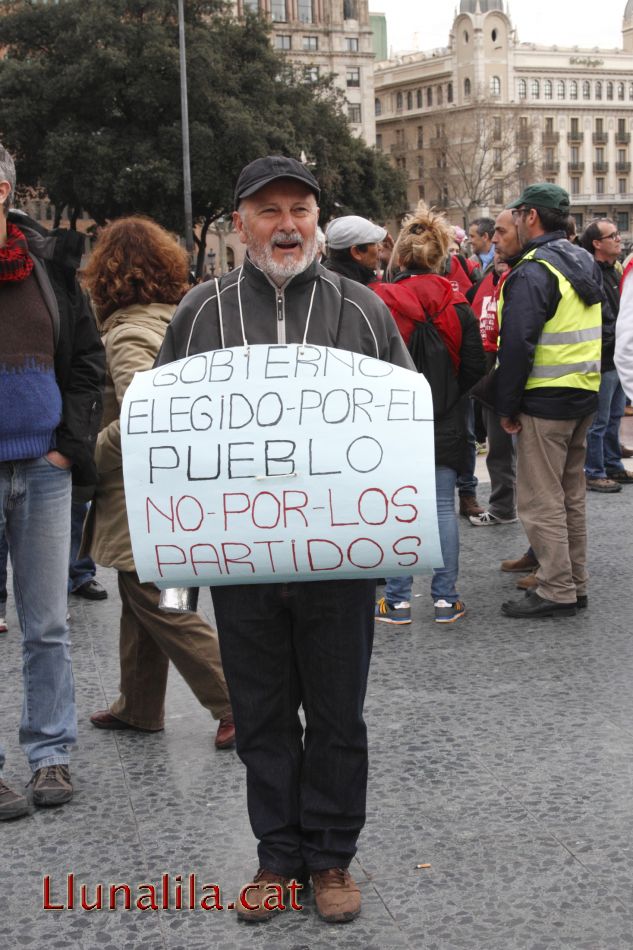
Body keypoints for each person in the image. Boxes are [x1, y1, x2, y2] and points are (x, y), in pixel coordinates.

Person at [155, 155, 413, 924]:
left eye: (299, 209)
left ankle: (331, 858)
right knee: (262, 717)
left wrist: (395, 540)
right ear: (240, 225)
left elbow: (400, 423)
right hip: (241, 562)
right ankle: (277, 858)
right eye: (268, 211)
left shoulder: (362, 310)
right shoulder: (199, 314)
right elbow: (166, 438)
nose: (287, 224)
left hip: (338, 562)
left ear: (318, 222)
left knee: (338, 713)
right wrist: (178, 566)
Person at [80, 217, 235, 751]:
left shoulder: (127, 333)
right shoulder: (177, 319)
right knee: (139, 596)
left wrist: (88, 453)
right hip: (171, 487)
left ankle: (235, 701)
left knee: (156, 601)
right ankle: (140, 706)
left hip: (140, 492)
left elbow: (146, 416)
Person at [0, 143, 105, 819]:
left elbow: (88, 362)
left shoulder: (48, 266)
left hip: (43, 469)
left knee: (46, 624)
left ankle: (49, 756)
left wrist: (68, 449)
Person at [371, 202, 486, 625]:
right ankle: (445, 598)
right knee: (441, 506)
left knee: (398, 507)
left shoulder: (380, 302)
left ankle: (397, 601)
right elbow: (476, 364)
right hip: (446, 419)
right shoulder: (457, 305)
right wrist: (452, 391)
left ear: (399, 257)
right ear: (441, 257)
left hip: (393, 423)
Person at [496, 184, 602, 619]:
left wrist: (506, 406)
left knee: (541, 500)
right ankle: (574, 582)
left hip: (545, 399)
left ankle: (555, 589)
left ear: (531, 216)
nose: (515, 221)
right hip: (583, 392)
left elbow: (517, 345)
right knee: (570, 495)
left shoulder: (534, 269)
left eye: (519, 214)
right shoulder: (582, 261)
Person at [467, 210, 523, 527]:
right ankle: (504, 506)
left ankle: (508, 508)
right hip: (489, 370)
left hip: (509, 370)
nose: (497, 249)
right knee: (498, 449)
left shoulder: (523, 278)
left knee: (510, 451)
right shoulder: (487, 281)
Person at [579, 219, 632, 492]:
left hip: (617, 358)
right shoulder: (591, 272)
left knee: (614, 417)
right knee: (598, 422)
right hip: (603, 357)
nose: (619, 239)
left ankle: (613, 465)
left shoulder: (615, 270)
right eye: (612, 236)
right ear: (597, 244)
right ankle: (594, 471)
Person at [323, 214, 387, 285]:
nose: (380, 248)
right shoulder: (349, 289)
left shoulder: (327, 282)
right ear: (356, 252)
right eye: (375, 243)